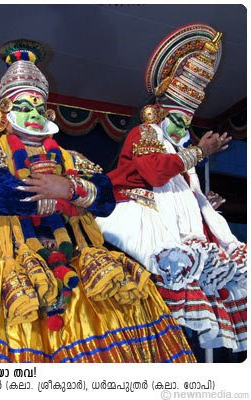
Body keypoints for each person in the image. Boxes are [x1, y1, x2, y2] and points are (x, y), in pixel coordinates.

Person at [0, 39, 196, 363]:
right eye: (23, 107)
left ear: (49, 113)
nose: (32, 114)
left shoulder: (71, 158)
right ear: (2, 114)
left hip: (69, 257)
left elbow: (103, 196)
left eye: (38, 108)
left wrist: (69, 188)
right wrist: (54, 194)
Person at [97, 24, 247, 352]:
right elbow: (153, 172)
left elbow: (172, 185)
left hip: (164, 227)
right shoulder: (147, 134)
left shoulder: (179, 154)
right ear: (162, 115)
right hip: (136, 221)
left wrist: (203, 206)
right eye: (177, 121)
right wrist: (198, 152)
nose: (183, 128)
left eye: (187, 123)